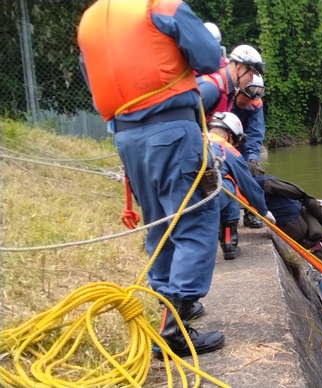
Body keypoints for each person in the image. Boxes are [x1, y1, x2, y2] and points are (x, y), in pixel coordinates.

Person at [77, 0, 225, 357]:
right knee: (194, 220)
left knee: (158, 224)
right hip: (172, 129)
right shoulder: (161, 6)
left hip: (127, 137)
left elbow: (92, 75)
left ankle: (168, 309)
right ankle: (175, 328)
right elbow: (208, 58)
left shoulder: (90, 20)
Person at [197, 44, 268, 229]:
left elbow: (255, 132)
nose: (249, 103)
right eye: (246, 99)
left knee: (252, 171)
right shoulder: (222, 94)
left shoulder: (255, 103)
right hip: (219, 140)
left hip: (240, 141)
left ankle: (252, 212)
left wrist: (252, 157)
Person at [207, 112, 276, 259]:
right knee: (230, 187)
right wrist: (263, 211)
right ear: (230, 134)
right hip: (204, 199)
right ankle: (229, 244)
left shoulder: (195, 140)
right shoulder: (227, 150)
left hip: (172, 198)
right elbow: (248, 185)